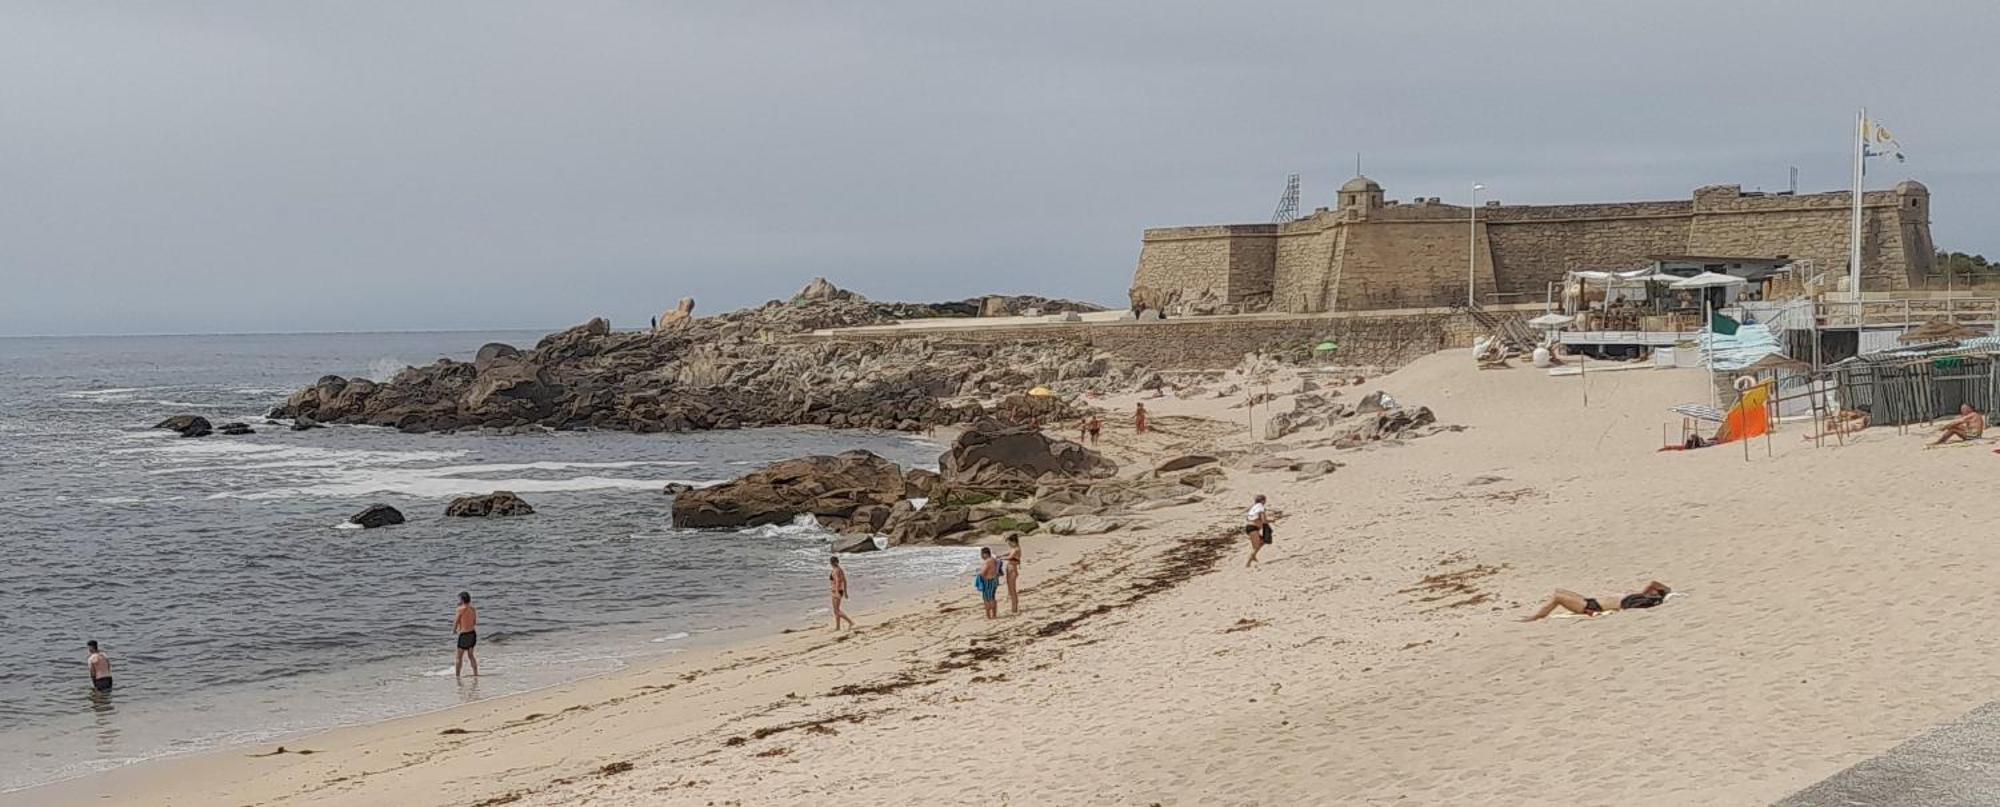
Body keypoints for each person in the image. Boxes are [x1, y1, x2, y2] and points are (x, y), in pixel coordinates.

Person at [1520, 581, 1672, 622]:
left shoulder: (1638, 601)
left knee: (1557, 597)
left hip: (1591, 606)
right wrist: (1646, 592)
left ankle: (1536, 617)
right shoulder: (1643, 598)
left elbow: (1656, 585)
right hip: (1591, 602)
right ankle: (1537, 616)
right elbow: (1656, 585)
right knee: (1558, 592)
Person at [453, 591, 480, 679]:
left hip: (464, 635)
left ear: (462, 599)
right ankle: (476, 673)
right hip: (472, 633)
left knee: (459, 657)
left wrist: (454, 630)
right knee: (471, 655)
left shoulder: (460, 609)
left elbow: (456, 621)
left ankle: (457, 676)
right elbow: (474, 622)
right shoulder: (473, 609)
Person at [828, 556, 855, 631]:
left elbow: (837, 581)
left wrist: (836, 592)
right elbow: (845, 581)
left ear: (831, 563)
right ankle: (838, 627)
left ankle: (850, 622)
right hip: (839, 591)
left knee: (837, 610)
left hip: (836, 591)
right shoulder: (840, 570)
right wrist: (845, 592)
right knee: (836, 610)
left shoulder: (836, 570)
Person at [974, 547, 1001, 619]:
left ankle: (989, 616)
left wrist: (980, 576)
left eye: (981, 554)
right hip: (994, 580)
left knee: (987, 599)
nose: (981, 556)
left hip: (989, 581)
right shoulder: (993, 560)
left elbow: (983, 573)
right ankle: (994, 614)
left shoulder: (988, 561)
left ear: (985, 554)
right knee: (992, 597)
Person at [1003, 535, 1023, 615]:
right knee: (1010, 589)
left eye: (1010, 543)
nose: (1009, 545)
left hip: (1013, 570)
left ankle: (1015, 609)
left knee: (1012, 590)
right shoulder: (1013, 548)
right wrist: (1001, 555)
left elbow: (1010, 557)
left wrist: (1000, 558)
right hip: (1009, 568)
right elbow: (1009, 553)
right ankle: (1013, 607)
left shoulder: (1017, 549)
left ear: (1014, 542)